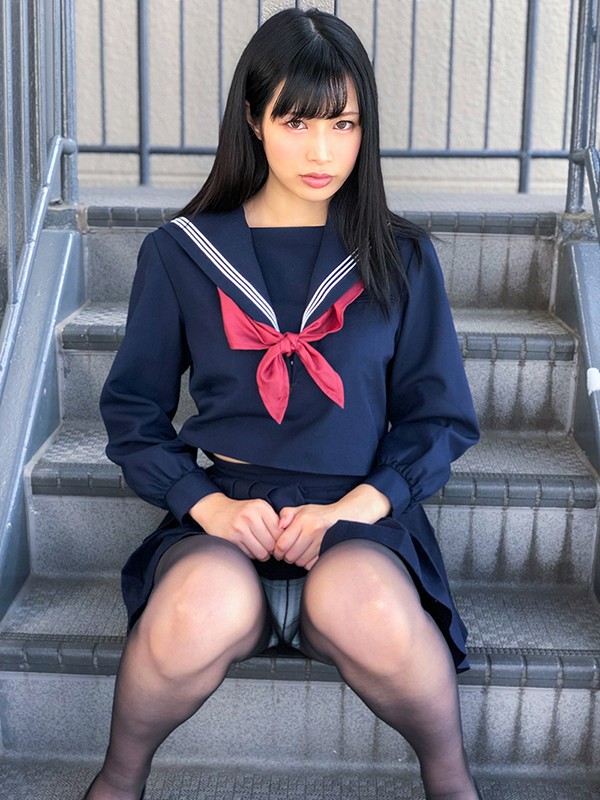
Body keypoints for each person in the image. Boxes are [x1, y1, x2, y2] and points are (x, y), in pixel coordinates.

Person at [88, 7, 481, 800]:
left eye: (343, 124)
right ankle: (116, 784)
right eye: (296, 122)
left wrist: (360, 506)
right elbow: (133, 414)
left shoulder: (400, 256)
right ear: (253, 119)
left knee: (369, 605)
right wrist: (206, 505)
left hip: (360, 519)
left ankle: (453, 785)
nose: (321, 151)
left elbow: (438, 416)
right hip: (227, 516)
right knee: (196, 606)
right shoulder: (182, 254)